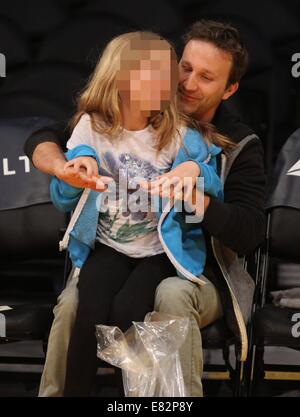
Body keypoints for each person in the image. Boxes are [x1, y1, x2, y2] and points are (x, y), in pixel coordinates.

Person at [24, 20, 266, 397]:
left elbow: (249, 233)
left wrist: (196, 196)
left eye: (206, 77)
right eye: (184, 68)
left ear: (229, 89)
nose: (187, 83)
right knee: (74, 300)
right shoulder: (128, 114)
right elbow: (46, 139)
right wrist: (64, 168)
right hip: (118, 248)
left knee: (169, 293)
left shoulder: (237, 142)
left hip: (200, 270)